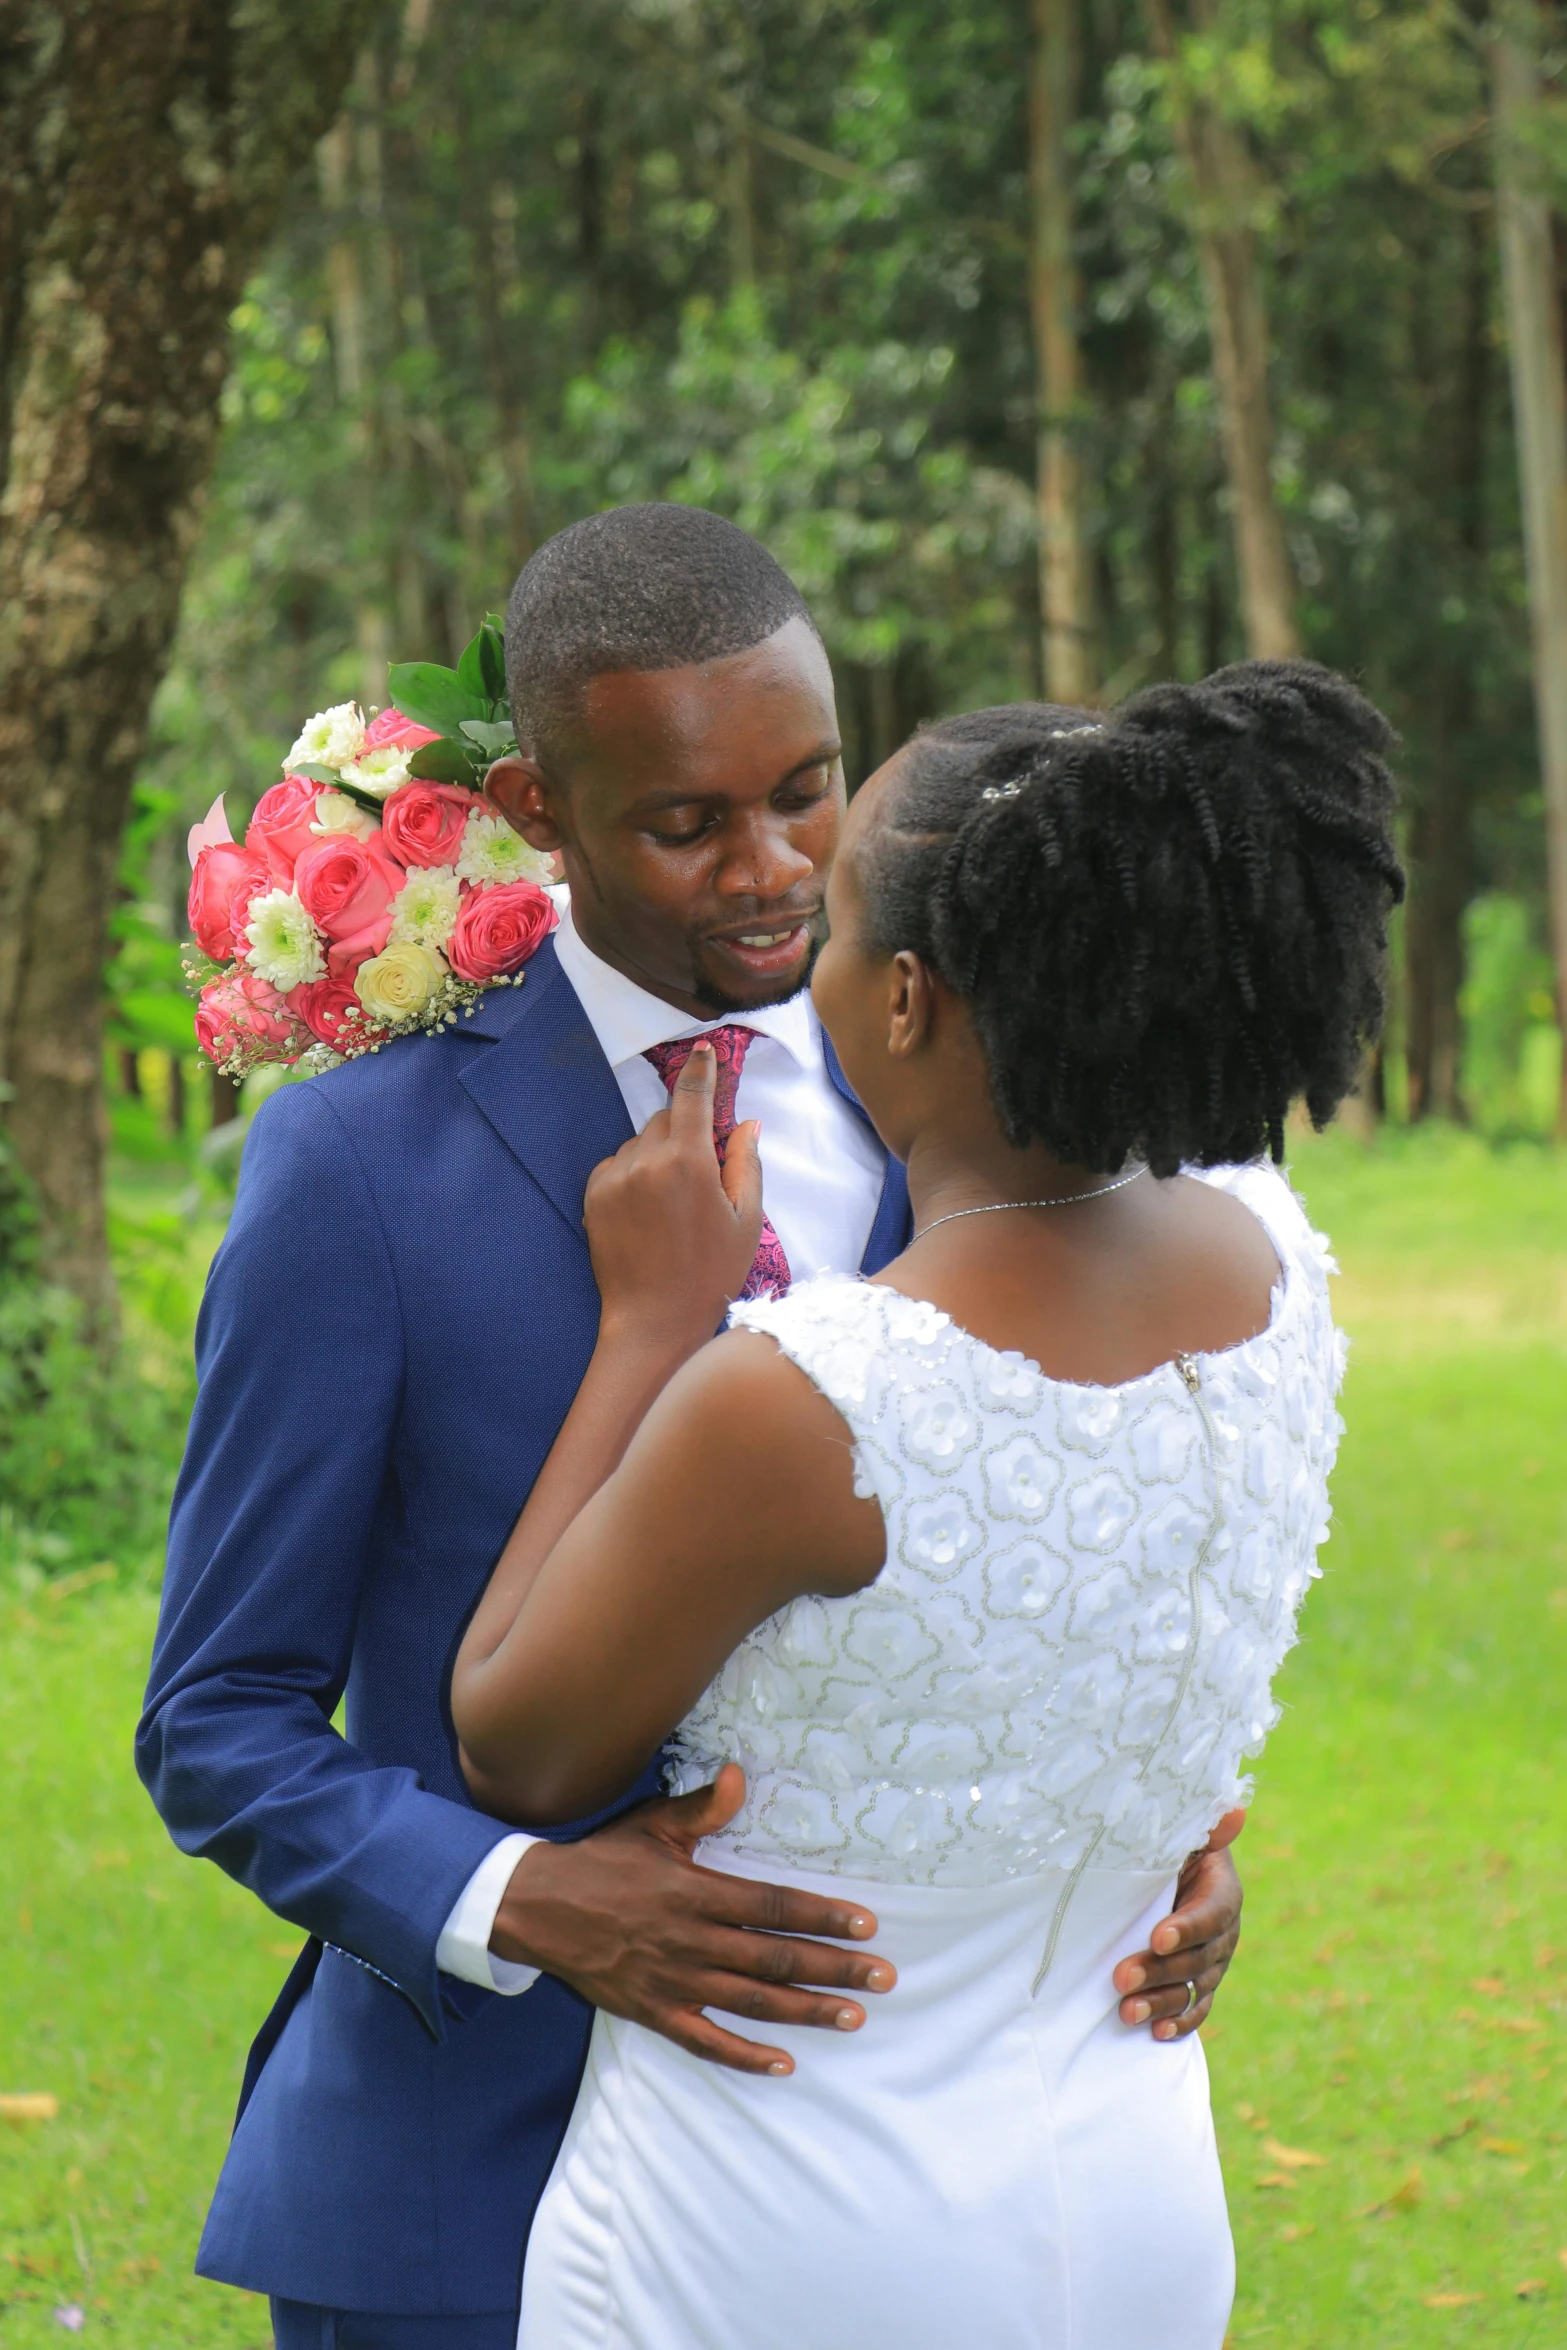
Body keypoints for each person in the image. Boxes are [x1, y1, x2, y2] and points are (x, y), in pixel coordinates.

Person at [136, 506, 1244, 2350]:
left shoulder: (975, 1108)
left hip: (887, 2195)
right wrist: (530, 1899)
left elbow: (1058, 1545)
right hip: (460, 2195)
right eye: (686, 821)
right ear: (539, 807)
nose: (771, 867)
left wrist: (1160, 1838)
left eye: (805, 791)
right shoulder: (354, 1167)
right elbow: (218, 1722)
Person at [450, 660, 1404, 2349]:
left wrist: (649, 1335)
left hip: (785, 2216)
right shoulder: (1273, 1267)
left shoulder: (812, 1396)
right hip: (1130, 2186)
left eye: (825, 917)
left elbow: (515, 1745)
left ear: (903, 1000)